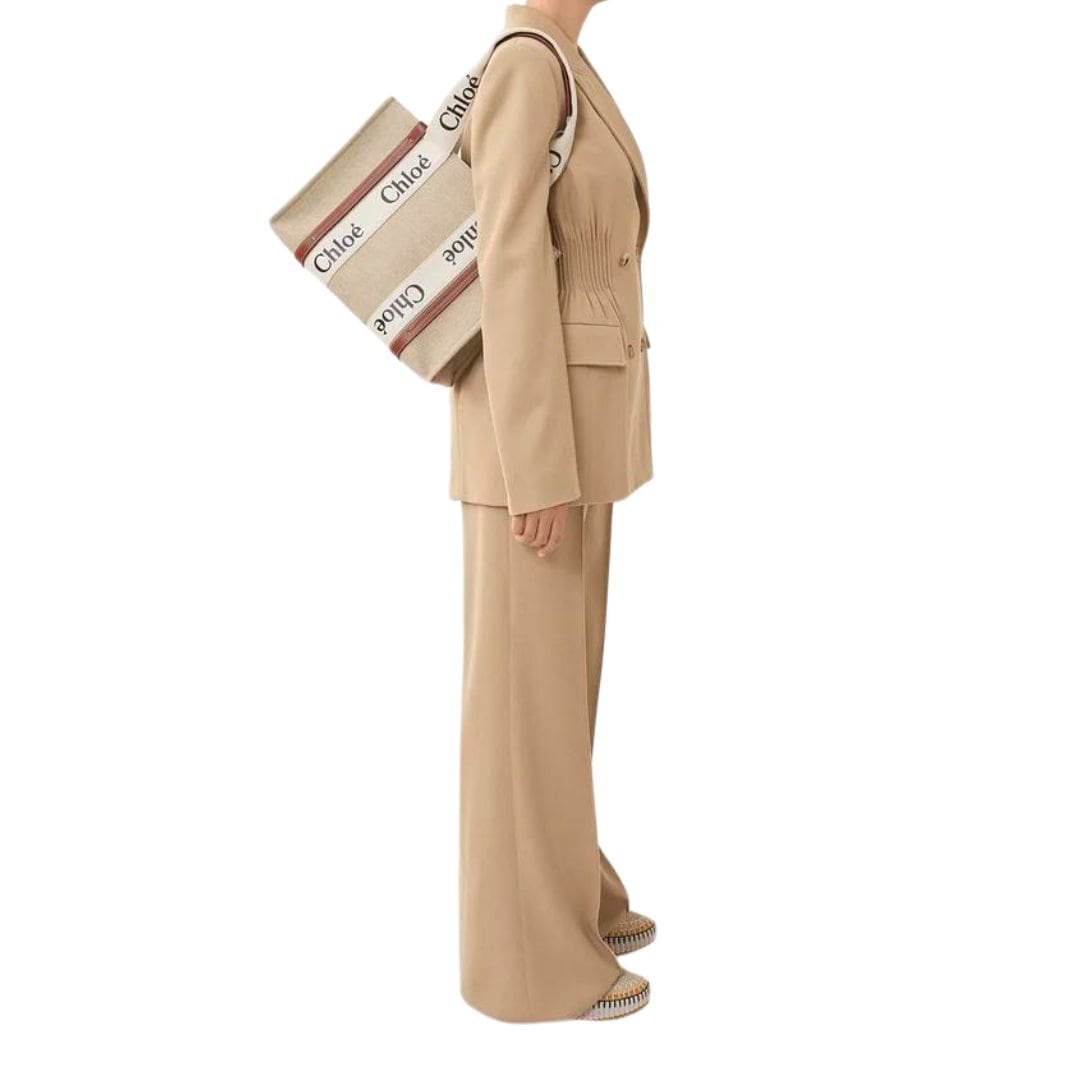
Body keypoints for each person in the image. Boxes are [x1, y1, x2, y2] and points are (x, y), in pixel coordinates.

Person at [450, 0, 655, 1022]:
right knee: (523, 703)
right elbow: (511, 264)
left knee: (558, 692)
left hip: (579, 432)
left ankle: (570, 895)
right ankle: (529, 965)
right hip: (536, 449)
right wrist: (534, 469)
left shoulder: (564, 60)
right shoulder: (529, 66)